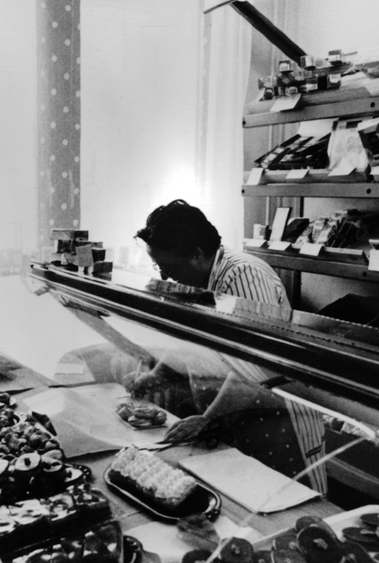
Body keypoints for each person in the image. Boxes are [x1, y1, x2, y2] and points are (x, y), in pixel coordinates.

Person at [126, 199, 326, 491]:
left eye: (169, 266)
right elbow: (190, 342)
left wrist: (208, 417)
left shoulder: (244, 277)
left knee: (280, 515)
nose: (164, 277)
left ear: (196, 254)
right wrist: (156, 377)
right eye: (158, 266)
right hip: (229, 419)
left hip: (275, 425)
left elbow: (256, 364)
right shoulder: (198, 281)